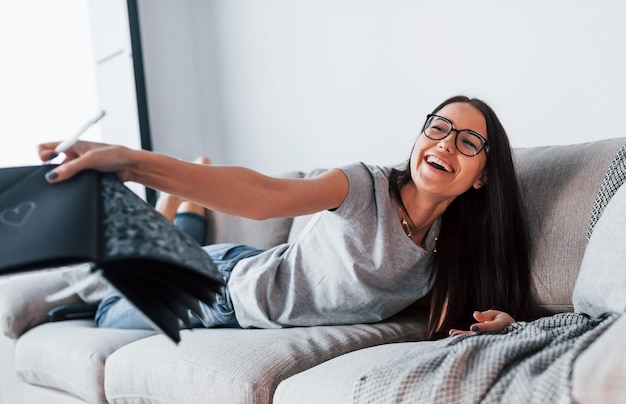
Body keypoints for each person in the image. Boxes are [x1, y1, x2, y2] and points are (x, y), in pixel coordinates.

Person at [39, 95, 532, 339]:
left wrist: (505, 320)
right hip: (223, 289)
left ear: (482, 176)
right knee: (107, 314)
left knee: (144, 268)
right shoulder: (364, 185)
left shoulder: (455, 240)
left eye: (468, 141)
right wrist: (130, 161)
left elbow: (478, 307)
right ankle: (106, 276)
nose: (445, 142)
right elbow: (262, 195)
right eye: (438, 127)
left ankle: (162, 232)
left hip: (253, 266)